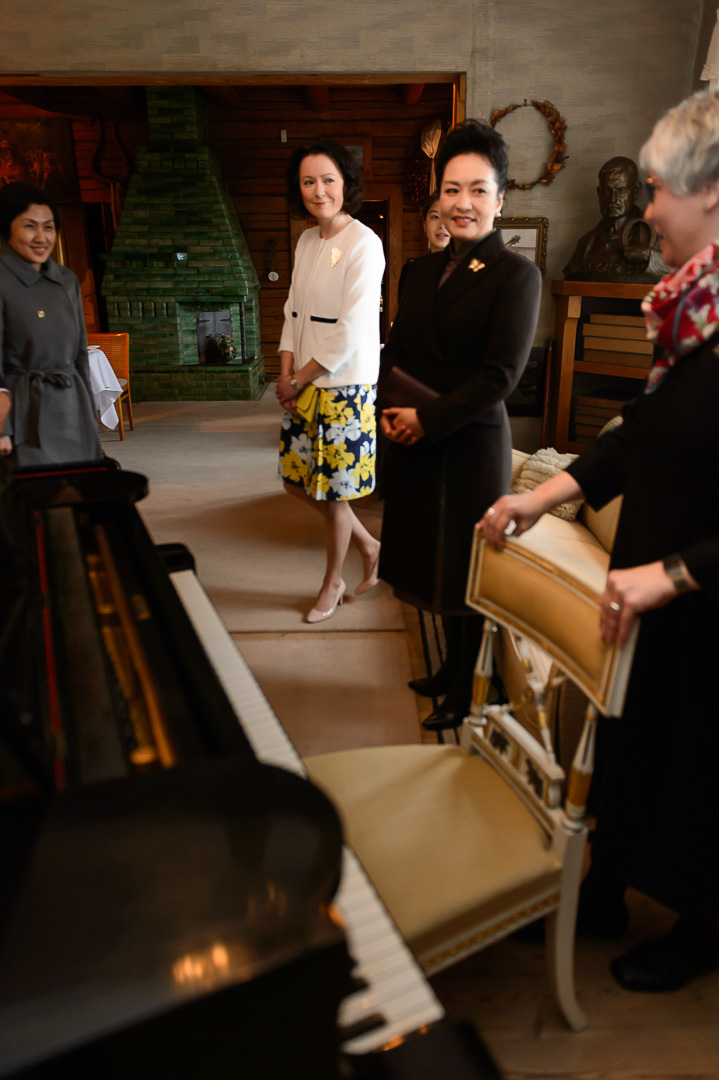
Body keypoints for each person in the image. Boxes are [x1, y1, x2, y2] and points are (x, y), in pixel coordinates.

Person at [480, 88, 719, 993]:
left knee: (695, 763)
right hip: (647, 582)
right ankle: (606, 889)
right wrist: (547, 496)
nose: (646, 206)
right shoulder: (688, 310)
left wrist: (677, 574)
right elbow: (640, 437)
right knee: (628, 743)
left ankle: (701, 926)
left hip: (700, 599)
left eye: (658, 189)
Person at [378, 120, 541, 731]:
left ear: (500, 199)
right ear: (437, 197)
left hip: (469, 442)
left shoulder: (515, 276)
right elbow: (393, 351)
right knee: (429, 562)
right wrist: (387, 409)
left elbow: (501, 377)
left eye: (478, 190)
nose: (462, 203)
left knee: (466, 568)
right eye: (452, 190)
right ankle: (451, 669)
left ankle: (474, 686)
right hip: (415, 435)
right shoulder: (419, 272)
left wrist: (426, 418)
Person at [275, 140, 386, 624]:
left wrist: (297, 379)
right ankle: (371, 546)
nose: (318, 191)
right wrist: (284, 373)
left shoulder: (364, 242)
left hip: (344, 388)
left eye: (328, 180)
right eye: (308, 181)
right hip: (302, 382)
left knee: (334, 492)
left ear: (346, 184)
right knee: (296, 483)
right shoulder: (304, 241)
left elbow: (351, 329)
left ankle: (332, 582)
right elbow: (291, 313)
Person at [0, 182, 101, 466]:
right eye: (29, 226)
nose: (41, 237)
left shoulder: (66, 279)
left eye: (49, 227)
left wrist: (88, 412)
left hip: (72, 406)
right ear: (7, 228)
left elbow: (80, 352)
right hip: (24, 415)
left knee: (80, 494)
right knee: (37, 501)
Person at [564, 155, 668, 280]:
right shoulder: (586, 244)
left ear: (635, 192)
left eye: (621, 190)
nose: (613, 199)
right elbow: (571, 273)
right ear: (599, 193)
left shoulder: (657, 233)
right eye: (607, 191)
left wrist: (649, 255)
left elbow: (686, 269)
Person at [398, 192, 450, 299]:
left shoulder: (471, 271)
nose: (442, 225)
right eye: (435, 217)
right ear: (424, 224)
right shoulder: (410, 271)